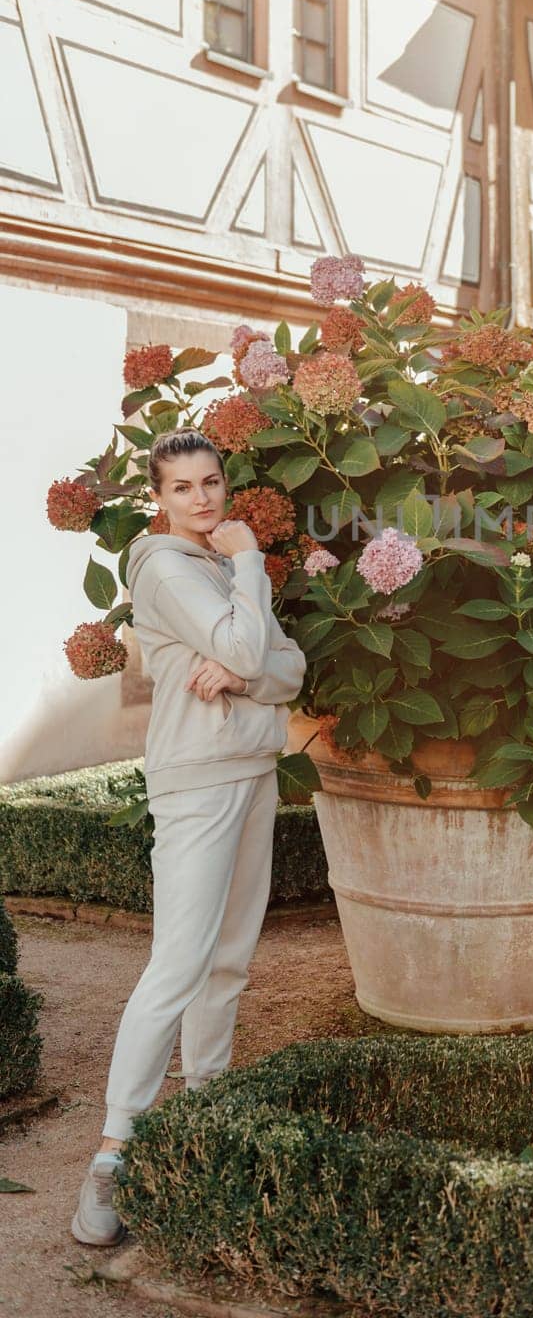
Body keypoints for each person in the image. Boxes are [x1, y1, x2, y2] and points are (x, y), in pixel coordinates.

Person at [71, 428, 306, 1246]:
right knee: (177, 964)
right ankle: (112, 1153)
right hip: (199, 779)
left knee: (230, 959)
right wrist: (250, 577)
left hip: (252, 769)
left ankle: (206, 1106)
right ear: (158, 498)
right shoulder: (169, 565)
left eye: (212, 482)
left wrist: (245, 673)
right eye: (183, 487)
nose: (203, 499)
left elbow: (291, 667)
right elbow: (251, 641)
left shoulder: (214, 565)